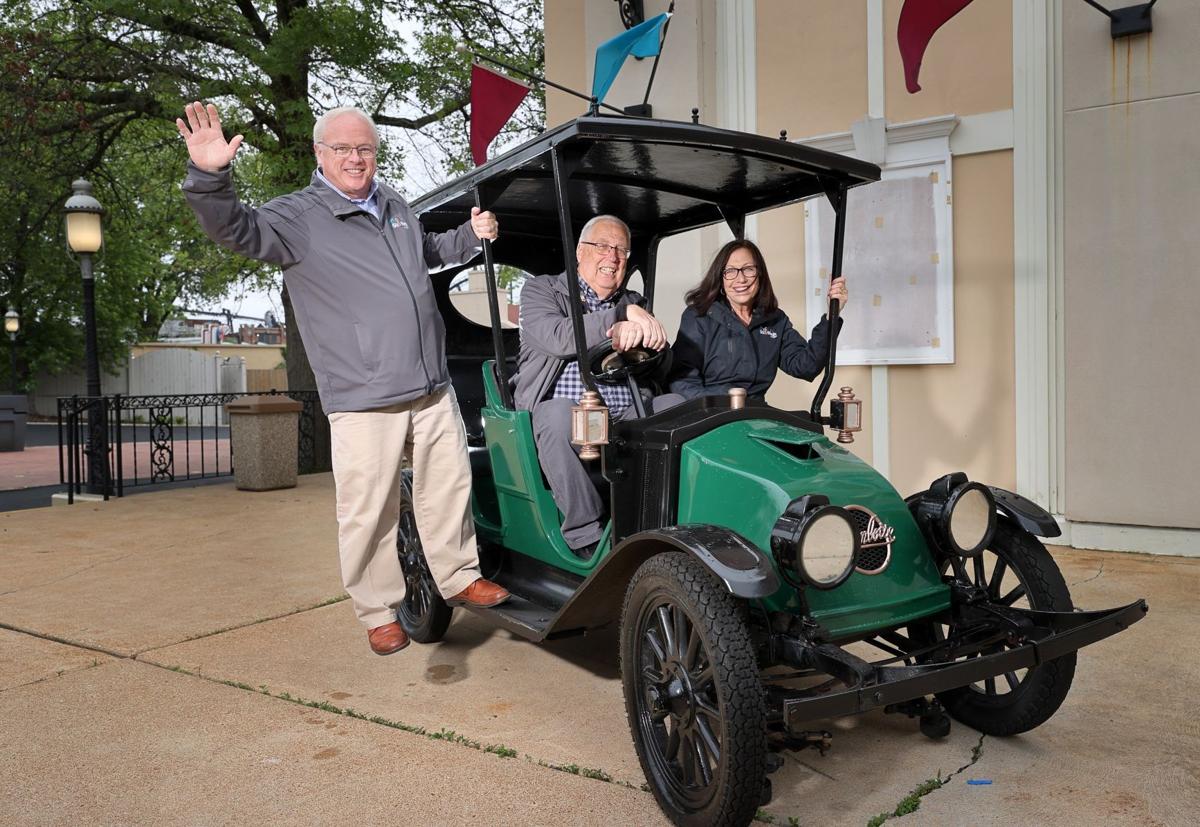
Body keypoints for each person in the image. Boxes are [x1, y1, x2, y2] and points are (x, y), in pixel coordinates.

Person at [177, 101, 510, 657]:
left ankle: (457, 577)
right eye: (344, 149)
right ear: (319, 153)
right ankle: (379, 610)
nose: (356, 159)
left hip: (430, 384)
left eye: (365, 149)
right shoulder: (298, 217)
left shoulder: (395, 205)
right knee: (369, 508)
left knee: (449, 488)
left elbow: (426, 253)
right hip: (362, 395)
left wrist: (471, 235)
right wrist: (210, 176)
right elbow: (236, 229)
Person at [515, 215, 683, 559]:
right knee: (557, 416)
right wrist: (618, 318)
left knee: (676, 407)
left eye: (621, 249)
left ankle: (674, 519)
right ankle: (587, 535)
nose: (613, 256)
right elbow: (556, 336)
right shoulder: (542, 290)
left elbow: (662, 369)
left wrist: (655, 344)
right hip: (579, 415)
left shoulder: (633, 300)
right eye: (603, 246)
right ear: (580, 252)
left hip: (629, 412)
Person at [669, 239, 848, 400]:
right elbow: (683, 383)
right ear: (720, 278)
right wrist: (725, 402)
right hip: (708, 414)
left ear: (760, 274)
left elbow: (806, 366)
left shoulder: (775, 320)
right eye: (731, 271)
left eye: (748, 269)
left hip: (754, 415)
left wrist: (833, 314)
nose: (741, 279)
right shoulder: (698, 317)